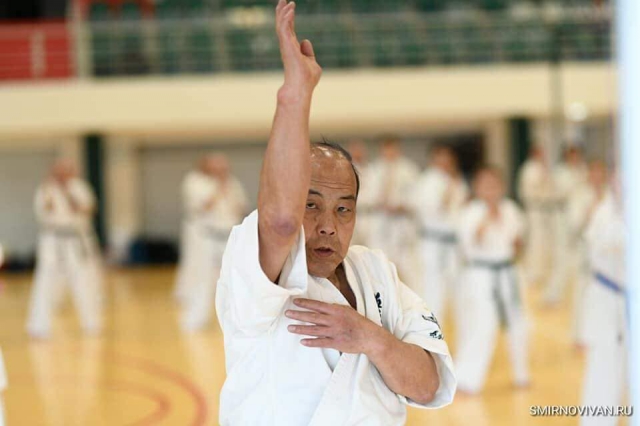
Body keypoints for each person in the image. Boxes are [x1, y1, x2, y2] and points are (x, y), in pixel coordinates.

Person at [215, 2, 455, 424]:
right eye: (311, 205)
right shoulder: (259, 270)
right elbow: (280, 222)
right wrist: (295, 95)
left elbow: (428, 386)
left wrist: (369, 336)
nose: (328, 225)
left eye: (344, 209)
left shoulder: (376, 271)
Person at [455, 166, 530, 394]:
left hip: (508, 271)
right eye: (485, 185)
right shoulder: (470, 212)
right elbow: (470, 244)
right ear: (477, 188)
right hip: (480, 273)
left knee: (519, 324)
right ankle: (467, 379)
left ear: (502, 187)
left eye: (494, 185)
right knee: (482, 324)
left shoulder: (511, 209)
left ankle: (521, 374)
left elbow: (518, 243)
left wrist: (514, 247)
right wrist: (488, 217)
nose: (490, 190)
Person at [26, 159, 103, 338]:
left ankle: (92, 323)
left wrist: (67, 192)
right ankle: (39, 325)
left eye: (66, 171)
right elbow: (45, 210)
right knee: (45, 282)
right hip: (52, 240)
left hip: (76, 240)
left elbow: (87, 209)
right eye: (59, 171)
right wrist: (53, 190)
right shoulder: (46, 189)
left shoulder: (79, 187)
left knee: (84, 281)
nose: (62, 174)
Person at [179, 154, 247, 331]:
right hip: (206, 237)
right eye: (217, 166)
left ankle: (234, 320)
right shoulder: (195, 182)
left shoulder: (232, 183)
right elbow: (204, 207)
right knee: (202, 278)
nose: (222, 170)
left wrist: (227, 187)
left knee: (233, 279)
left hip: (228, 236)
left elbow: (241, 207)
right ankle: (194, 320)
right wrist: (219, 187)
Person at [580, 178, 627, 426]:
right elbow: (612, 243)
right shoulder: (604, 213)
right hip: (607, 297)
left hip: (630, 299)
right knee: (604, 365)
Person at [412, 144, 468, 322]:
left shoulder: (456, 180)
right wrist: (448, 191)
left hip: (453, 243)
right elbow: (433, 209)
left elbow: (462, 211)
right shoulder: (427, 181)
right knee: (432, 290)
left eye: (448, 157)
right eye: (441, 157)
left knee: (458, 290)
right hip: (433, 241)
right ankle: (432, 332)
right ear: (433, 159)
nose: (446, 161)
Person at [367, 136, 420, 288]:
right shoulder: (374, 170)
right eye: (386, 149)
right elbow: (367, 196)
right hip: (381, 221)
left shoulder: (408, 170)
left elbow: (416, 197)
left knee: (408, 269)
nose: (389, 153)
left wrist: (402, 205)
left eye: (392, 149)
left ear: (398, 149)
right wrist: (380, 202)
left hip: (401, 222)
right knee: (380, 267)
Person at [567, 160, 609, 347]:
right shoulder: (579, 195)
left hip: (607, 253)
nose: (597, 177)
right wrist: (589, 211)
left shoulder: (610, 194)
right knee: (582, 292)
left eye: (601, 173)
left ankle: (602, 333)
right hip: (586, 249)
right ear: (588, 175)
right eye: (594, 172)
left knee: (605, 295)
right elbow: (574, 224)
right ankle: (579, 336)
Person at [543, 146, 589, 305]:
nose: (575, 159)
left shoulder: (583, 170)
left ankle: (580, 294)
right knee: (560, 256)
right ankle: (553, 294)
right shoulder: (560, 172)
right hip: (562, 217)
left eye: (577, 155)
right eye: (572, 156)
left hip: (581, 219)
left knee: (579, 257)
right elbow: (559, 193)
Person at [517, 145, 554, 286]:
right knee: (535, 242)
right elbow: (529, 189)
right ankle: (532, 273)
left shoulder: (541, 167)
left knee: (544, 242)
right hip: (534, 209)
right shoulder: (529, 169)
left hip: (544, 210)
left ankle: (543, 272)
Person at [346, 139, 374, 246]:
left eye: (359, 151)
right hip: (351, 213)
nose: (357, 153)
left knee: (369, 247)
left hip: (368, 215)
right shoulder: (346, 170)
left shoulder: (372, 170)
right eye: (355, 150)